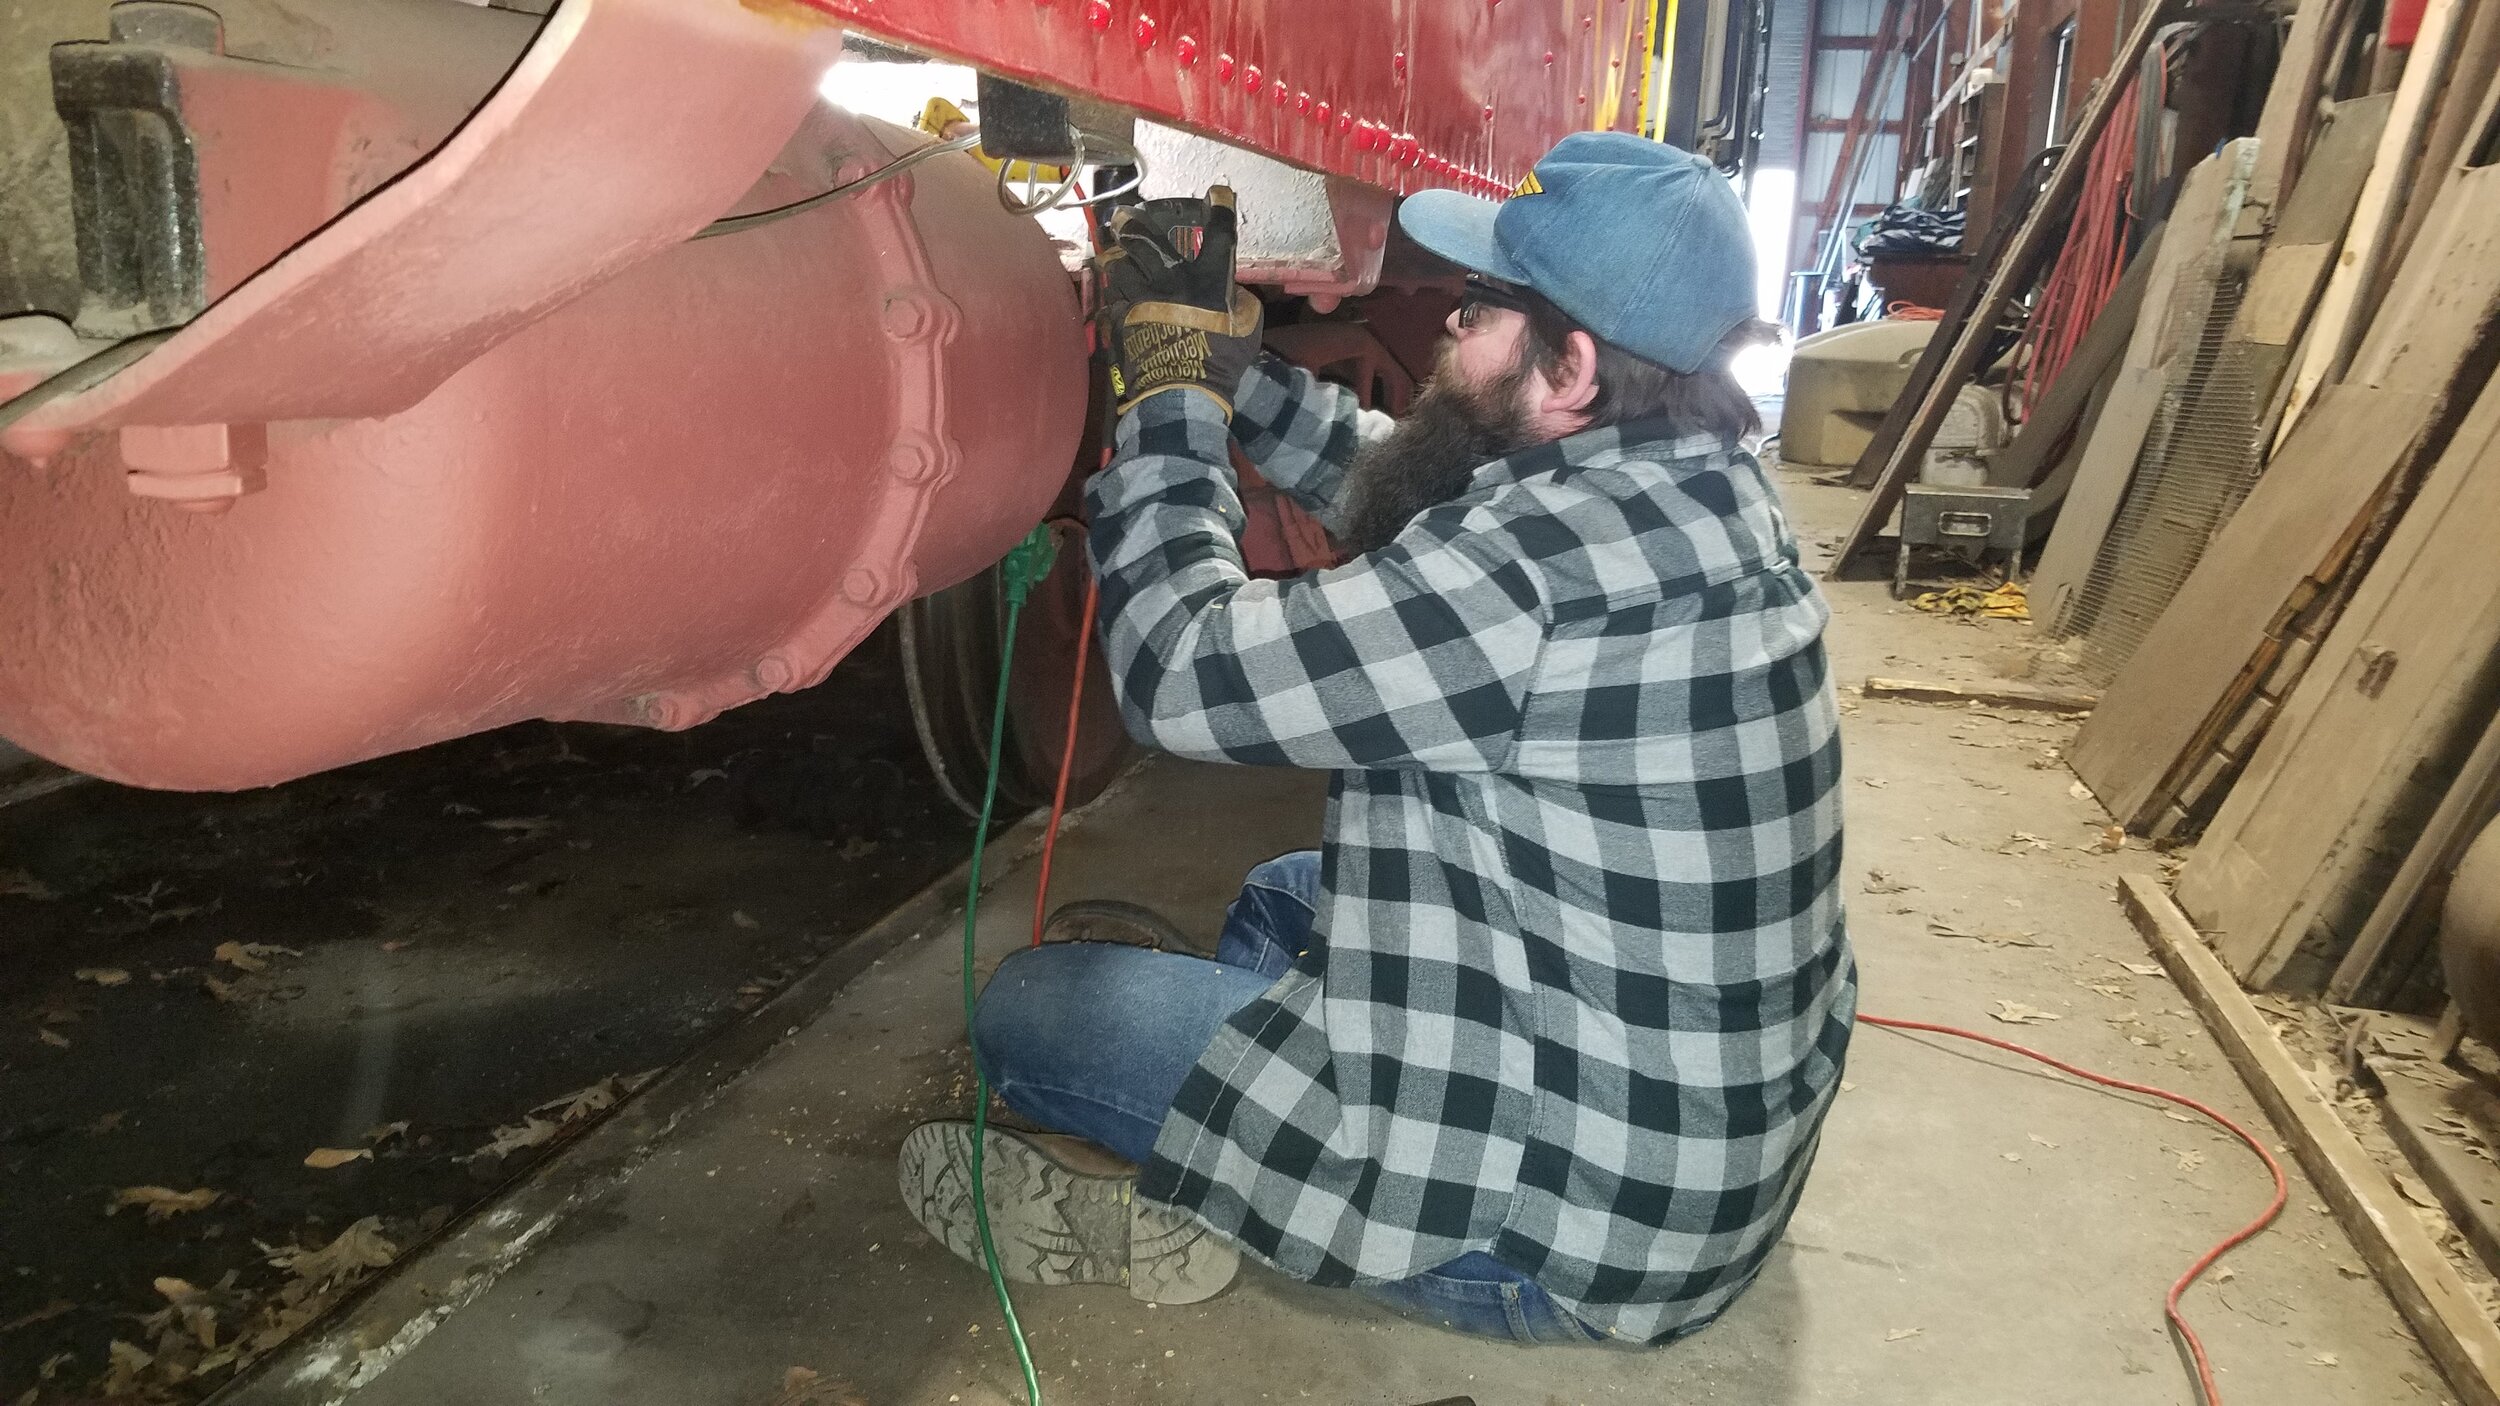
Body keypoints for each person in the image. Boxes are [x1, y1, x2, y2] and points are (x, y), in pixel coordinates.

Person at [897, 132, 1857, 1347]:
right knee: (1282, 895)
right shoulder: (1697, 485)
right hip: (1690, 1166)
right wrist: (1246, 375)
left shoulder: (1531, 579)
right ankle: (1239, 1134)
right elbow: (1411, 482)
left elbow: (1179, 672)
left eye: (1478, 309)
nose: (1452, 329)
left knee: (1030, 1008)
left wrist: (1174, 406)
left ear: (1566, 368)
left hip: (1556, 1243)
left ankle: (1224, 1193)